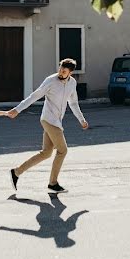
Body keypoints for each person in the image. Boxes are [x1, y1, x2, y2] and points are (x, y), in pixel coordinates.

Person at [8, 59, 89, 194]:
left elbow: (73, 103)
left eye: (64, 71)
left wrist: (81, 119)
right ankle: (53, 183)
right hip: (49, 120)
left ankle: (16, 172)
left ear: (70, 72)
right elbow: (34, 96)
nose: (60, 72)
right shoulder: (50, 81)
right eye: (60, 69)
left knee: (46, 153)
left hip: (57, 120)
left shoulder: (72, 83)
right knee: (62, 151)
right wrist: (17, 109)